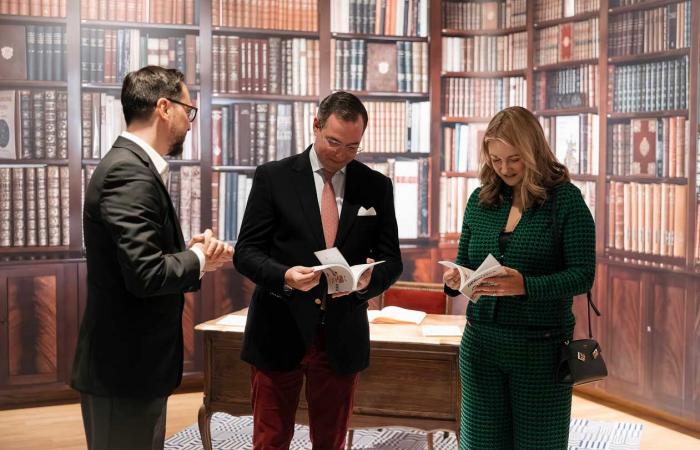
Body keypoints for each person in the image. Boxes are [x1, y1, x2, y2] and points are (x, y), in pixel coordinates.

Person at [71, 66, 233, 450]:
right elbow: (144, 273)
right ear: (164, 107)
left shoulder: (132, 166)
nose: (190, 124)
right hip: (123, 370)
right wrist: (195, 257)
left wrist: (193, 256)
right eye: (188, 111)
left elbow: (140, 257)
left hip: (129, 367)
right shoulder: (128, 172)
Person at [233, 91, 403, 450]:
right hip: (279, 328)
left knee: (331, 440)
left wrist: (367, 283)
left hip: (341, 333)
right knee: (271, 439)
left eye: (352, 147)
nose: (341, 155)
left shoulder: (376, 186)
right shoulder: (273, 178)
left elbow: (392, 260)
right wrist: (284, 276)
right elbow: (246, 253)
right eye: (333, 142)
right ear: (316, 125)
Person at [442, 106, 595, 449]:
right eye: (496, 160)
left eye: (514, 159)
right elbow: (465, 261)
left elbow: (583, 276)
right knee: (479, 443)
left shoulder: (566, 202)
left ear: (534, 152)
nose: (505, 168)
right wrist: (455, 278)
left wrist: (526, 286)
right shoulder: (479, 200)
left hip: (541, 350)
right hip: (480, 346)